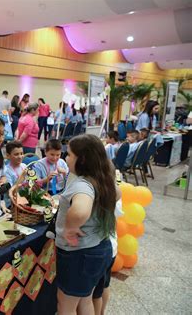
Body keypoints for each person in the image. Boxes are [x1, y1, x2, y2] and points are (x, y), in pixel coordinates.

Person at [56, 134, 119, 314]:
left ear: (82, 159)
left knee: (65, 304)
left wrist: (70, 227)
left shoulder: (82, 185)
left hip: (80, 254)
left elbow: (80, 211)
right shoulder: (102, 178)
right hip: (100, 247)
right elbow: (118, 194)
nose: (65, 158)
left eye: (69, 155)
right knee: (85, 300)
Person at [92, 197, 123, 315]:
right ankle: (101, 312)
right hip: (110, 247)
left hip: (102, 249)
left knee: (96, 293)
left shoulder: (101, 190)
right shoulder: (114, 190)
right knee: (104, 285)